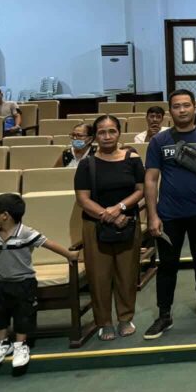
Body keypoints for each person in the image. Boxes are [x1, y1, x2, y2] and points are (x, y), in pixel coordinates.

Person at [143, 90, 196, 339]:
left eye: (186, 105)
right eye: (176, 106)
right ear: (170, 110)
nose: (182, 110)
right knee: (167, 266)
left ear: (194, 107)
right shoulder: (159, 141)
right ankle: (164, 315)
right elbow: (151, 179)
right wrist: (152, 215)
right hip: (168, 215)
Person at [0, 193, 79, 368]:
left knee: (23, 315)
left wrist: (68, 255)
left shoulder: (26, 233)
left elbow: (48, 243)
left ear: (5, 215)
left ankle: (20, 345)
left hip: (24, 283)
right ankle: (2, 344)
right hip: (1, 283)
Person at [73, 114, 145, 341]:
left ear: (119, 133)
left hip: (128, 223)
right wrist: (110, 216)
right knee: (99, 276)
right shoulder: (87, 164)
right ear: (95, 137)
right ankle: (104, 322)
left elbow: (140, 190)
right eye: (102, 132)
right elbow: (82, 199)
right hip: (95, 225)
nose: (107, 136)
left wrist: (120, 208)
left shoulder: (132, 159)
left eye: (112, 131)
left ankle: (125, 318)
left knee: (127, 273)